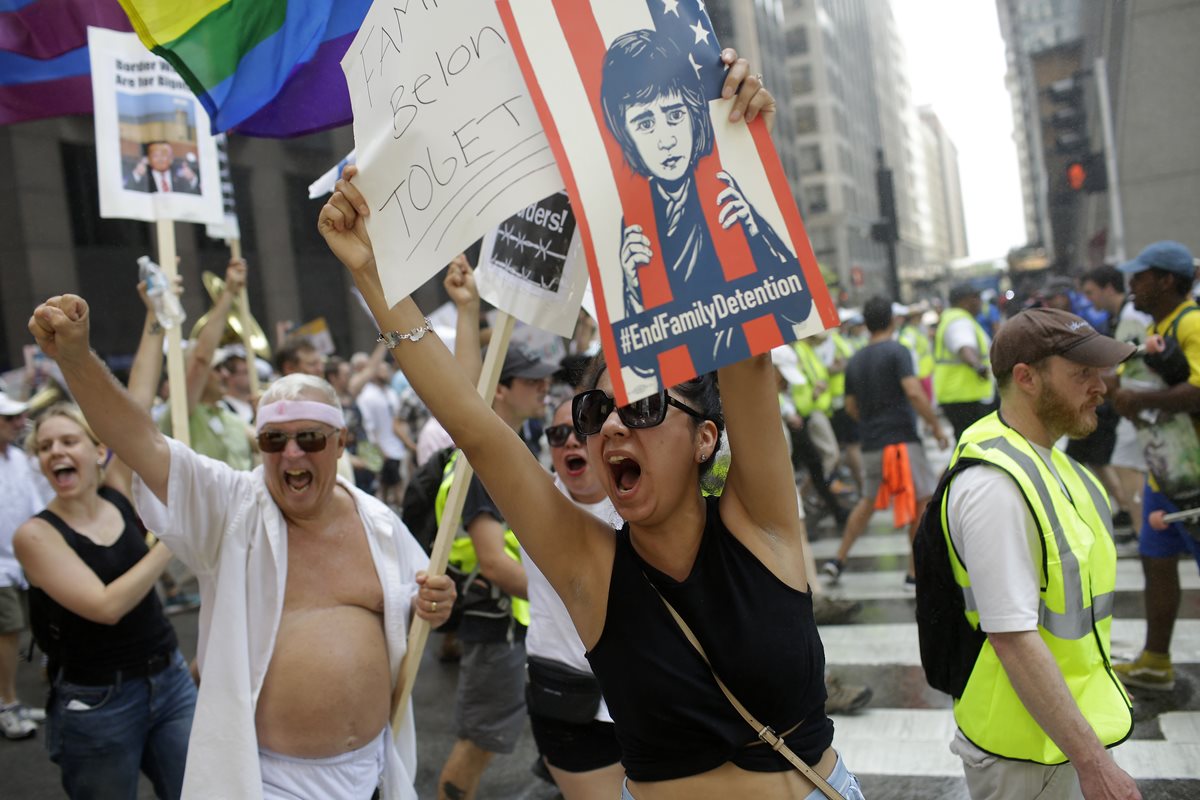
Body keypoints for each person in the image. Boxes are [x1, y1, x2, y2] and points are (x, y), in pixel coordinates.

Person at [321, 49, 863, 800]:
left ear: (707, 437)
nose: (607, 430)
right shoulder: (589, 567)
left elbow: (747, 357)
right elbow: (479, 430)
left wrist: (729, 128)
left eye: (640, 407)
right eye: (594, 410)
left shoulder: (763, 525)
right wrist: (373, 278)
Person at [26, 296, 456, 800]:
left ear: (341, 443)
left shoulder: (380, 524)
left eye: (309, 439)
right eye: (274, 441)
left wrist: (436, 603)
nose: (291, 454)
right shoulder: (232, 510)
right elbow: (139, 439)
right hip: (269, 781)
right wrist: (76, 358)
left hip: (374, 771)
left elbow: (417, 608)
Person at [927, 308, 1139, 800]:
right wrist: (1095, 764)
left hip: (1062, 731)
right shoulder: (995, 483)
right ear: (1026, 378)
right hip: (1025, 753)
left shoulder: (1061, 465)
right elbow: (1013, 637)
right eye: (1082, 374)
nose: (1101, 386)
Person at [600, 30, 811, 386]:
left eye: (674, 114)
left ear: (694, 113)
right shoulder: (632, 220)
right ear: (625, 134)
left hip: (740, 400)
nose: (665, 139)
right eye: (645, 123)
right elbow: (644, 362)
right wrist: (634, 290)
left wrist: (755, 225)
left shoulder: (725, 189)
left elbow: (797, 306)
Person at [13, 404, 196, 798]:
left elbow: (132, 409)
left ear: (100, 452)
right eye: (45, 447)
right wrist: (171, 542)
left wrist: (157, 337)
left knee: (199, 791)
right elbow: (106, 606)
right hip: (98, 703)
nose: (56, 451)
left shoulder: (117, 491)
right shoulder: (35, 536)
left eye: (68, 440)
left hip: (171, 681)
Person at [435, 341, 556, 800]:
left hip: (509, 620)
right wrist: (561, 596)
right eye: (531, 380)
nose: (544, 388)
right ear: (501, 390)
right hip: (496, 621)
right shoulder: (486, 458)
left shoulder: (504, 445)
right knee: (479, 742)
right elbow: (492, 559)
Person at [1110, 240, 1200, 691]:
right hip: (1169, 469)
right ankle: (1155, 660)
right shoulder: (1159, 326)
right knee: (1156, 559)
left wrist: (1137, 399)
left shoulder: (1192, 323)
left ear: (1167, 279)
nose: (1132, 284)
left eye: (1141, 276)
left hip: (1196, 475)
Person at [524, 398, 625, 800]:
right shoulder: (533, 498)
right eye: (556, 434)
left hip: (645, 698)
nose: (569, 441)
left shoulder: (643, 497)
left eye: (581, 429)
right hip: (568, 698)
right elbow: (472, 424)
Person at [821, 297, 948, 585]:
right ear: (892, 319)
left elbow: (851, 405)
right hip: (902, 440)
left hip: (872, 444)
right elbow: (913, 392)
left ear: (865, 324)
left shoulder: (855, 360)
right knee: (920, 502)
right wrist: (936, 426)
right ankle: (914, 573)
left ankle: (838, 559)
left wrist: (870, 421)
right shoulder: (897, 351)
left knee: (867, 501)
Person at [1080, 265, 1153, 529]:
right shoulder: (1119, 316)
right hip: (1139, 401)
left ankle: (1143, 531)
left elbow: (1136, 364)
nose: (1088, 299)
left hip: (1143, 401)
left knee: (1126, 461)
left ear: (1109, 288)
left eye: (1091, 292)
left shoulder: (1131, 315)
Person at [0, 391, 45, 740]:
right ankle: (7, 704)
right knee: (9, 632)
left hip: (24, 561)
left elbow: (33, 507)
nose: (19, 423)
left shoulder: (17, 458)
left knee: (31, 629)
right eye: (9, 419)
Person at [934, 283, 995, 442]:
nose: (980, 302)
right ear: (965, 301)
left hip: (959, 395)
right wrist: (979, 367)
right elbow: (964, 347)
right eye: (977, 298)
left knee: (967, 445)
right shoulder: (959, 321)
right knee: (972, 447)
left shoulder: (954, 318)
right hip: (965, 397)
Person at [125, 141, 200, 195]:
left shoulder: (181, 179)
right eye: (156, 155)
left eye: (164, 155)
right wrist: (136, 174)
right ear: (148, 159)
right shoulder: (143, 179)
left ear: (171, 158)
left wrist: (192, 179)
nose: (160, 159)